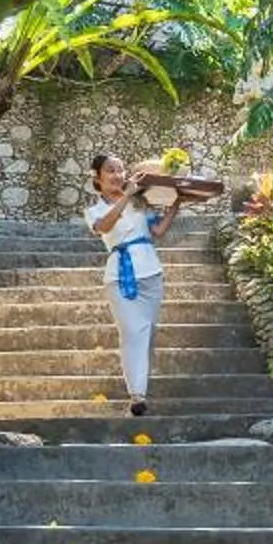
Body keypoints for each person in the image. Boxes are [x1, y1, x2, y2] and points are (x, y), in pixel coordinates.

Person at [84, 151, 172, 417]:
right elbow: (104, 226)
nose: (117, 175)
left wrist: (176, 205)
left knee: (148, 334)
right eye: (110, 170)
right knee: (132, 332)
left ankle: (141, 388)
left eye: (121, 169)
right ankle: (137, 396)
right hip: (119, 276)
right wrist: (126, 195)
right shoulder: (95, 210)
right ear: (98, 178)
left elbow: (157, 232)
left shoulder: (140, 203)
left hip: (151, 272)